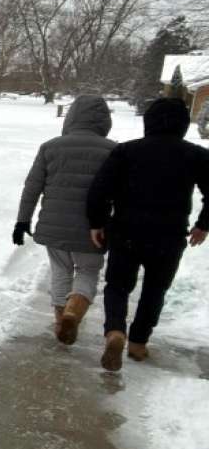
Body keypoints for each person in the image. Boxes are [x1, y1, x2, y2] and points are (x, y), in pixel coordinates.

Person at [87, 96, 209, 371]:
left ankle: (115, 331)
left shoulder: (127, 151)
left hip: (126, 231)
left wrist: (97, 223)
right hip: (169, 235)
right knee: (155, 289)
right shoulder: (196, 155)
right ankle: (139, 342)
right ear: (183, 124)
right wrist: (203, 224)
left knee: (118, 285)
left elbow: (100, 190)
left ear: (149, 122)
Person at [15, 95, 116, 344]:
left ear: (71, 117)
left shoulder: (50, 147)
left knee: (60, 270)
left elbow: (32, 187)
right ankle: (74, 312)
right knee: (88, 271)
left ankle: (61, 321)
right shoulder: (114, 150)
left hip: (55, 225)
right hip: (95, 228)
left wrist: (22, 221)